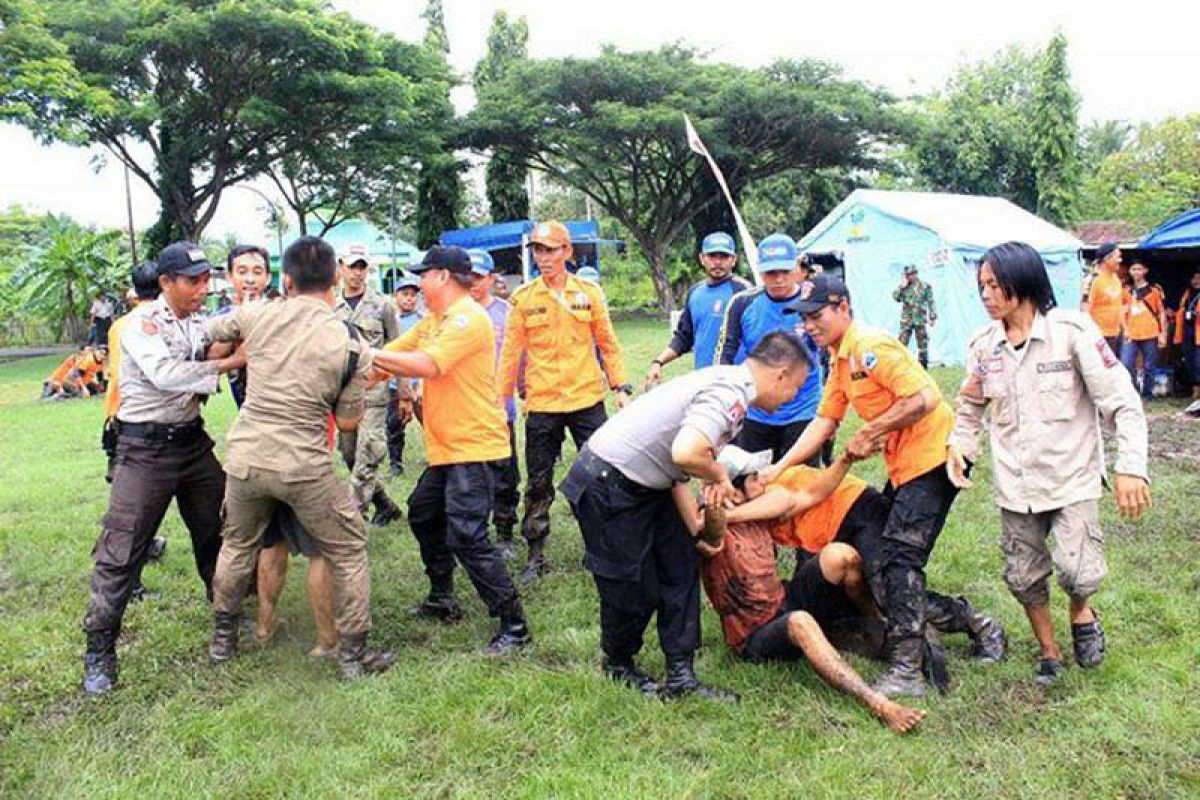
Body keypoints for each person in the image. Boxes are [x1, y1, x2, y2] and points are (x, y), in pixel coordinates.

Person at [559, 331, 813, 701]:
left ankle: (681, 675)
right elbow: (686, 452)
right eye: (797, 386)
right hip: (609, 482)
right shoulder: (730, 393)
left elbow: (675, 467)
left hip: (651, 484)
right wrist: (718, 475)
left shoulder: (728, 384)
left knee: (679, 568)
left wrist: (694, 526)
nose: (794, 396)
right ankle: (618, 663)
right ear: (781, 374)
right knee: (632, 585)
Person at [949, 241, 1150, 686]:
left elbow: (1122, 402)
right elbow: (969, 405)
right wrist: (961, 446)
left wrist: (1131, 465)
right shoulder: (983, 347)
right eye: (981, 286)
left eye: (994, 285)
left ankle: (1082, 612)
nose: (985, 295)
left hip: (1071, 477)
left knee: (1079, 573)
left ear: (1024, 282)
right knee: (1023, 577)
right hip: (1015, 487)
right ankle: (1049, 650)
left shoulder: (1072, 333)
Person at [205, 236, 394, 680]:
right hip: (303, 466)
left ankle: (223, 640)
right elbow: (348, 426)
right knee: (347, 548)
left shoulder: (258, 313)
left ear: (285, 280)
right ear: (334, 280)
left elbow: (211, 332)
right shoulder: (349, 347)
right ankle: (353, 654)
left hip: (246, 458)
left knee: (237, 544)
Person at [762, 273, 958, 698]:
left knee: (899, 562)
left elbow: (924, 397)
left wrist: (874, 431)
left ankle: (907, 668)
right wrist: (779, 467)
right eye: (804, 318)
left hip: (933, 458)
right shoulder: (840, 360)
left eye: (816, 316)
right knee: (887, 566)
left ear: (843, 308)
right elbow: (824, 422)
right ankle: (972, 623)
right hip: (904, 467)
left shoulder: (869, 348)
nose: (809, 325)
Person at [81, 241, 245, 694]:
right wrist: (233, 361)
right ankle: (99, 651)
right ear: (166, 282)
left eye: (206, 279)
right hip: (144, 449)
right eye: (193, 281)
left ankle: (228, 620)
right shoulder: (140, 324)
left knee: (218, 530)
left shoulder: (195, 322)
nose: (202, 288)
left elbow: (204, 353)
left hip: (191, 444)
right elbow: (169, 375)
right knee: (123, 547)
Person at [671, 474, 927, 733]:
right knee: (800, 622)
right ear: (735, 492)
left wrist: (738, 511)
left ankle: (879, 628)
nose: (765, 480)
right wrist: (715, 505)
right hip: (753, 636)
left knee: (839, 555)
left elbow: (787, 498)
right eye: (755, 477)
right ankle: (878, 704)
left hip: (784, 600)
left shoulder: (757, 512)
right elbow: (713, 536)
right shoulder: (707, 527)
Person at [373, 246, 532, 654]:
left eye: (422, 276)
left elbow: (427, 365)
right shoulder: (434, 321)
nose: (417, 284)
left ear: (442, 276)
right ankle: (443, 597)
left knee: (467, 534)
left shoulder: (467, 319)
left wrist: (364, 355)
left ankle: (514, 623)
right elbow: (392, 358)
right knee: (424, 514)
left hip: (473, 445)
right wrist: (356, 369)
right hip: (447, 447)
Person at [725, 454, 1006, 664]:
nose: (760, 478)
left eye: (757, 474)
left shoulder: (773, 486)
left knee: (892, 592)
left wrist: (729, 514)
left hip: (859, 514)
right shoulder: (750, 504)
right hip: (837, 531)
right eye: (752, 478)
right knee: (864, 592)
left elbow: (783, 503)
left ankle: (980, 625)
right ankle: (891, 634)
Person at [219, 242, 337, 657]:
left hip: (284, 449)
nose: (250, 278)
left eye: (257, 271)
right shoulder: (237, 320)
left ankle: (301, 633)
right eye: (242, 271)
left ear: (275, 278)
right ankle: (280, 628)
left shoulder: (274, 315)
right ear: (230, 276)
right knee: (281, 544)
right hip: (276, 453)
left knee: (292, 544)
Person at [498, 220, 630, 583]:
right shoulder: (523, 298)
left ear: (567, 252)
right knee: (538, 481)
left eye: (551, 250)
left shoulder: (589, 293)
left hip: (587, 399)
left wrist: (621, 386)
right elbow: (510, 355)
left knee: (601, 475)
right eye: (538, 251)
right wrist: (500, 400)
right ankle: (536, 553)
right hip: (542, 403)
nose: (544, 257)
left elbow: (608, 343)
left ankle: (602, 548)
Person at [714, 233, 823, 462]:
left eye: (785, 271)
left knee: (799, 483)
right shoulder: (743, 304)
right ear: (760, 271)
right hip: (756, 411)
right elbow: (725, 355)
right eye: (771, 273)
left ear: (796, 266)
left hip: (803, 409)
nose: (779, 279)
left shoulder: (814, 303)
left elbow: (832, 350)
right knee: (751, 480)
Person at [334, 243, 404, 527]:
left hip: (374, 390)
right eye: (353, 266)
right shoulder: (330, 306)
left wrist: (403, 389)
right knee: (350, 455)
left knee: (368, 454)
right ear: (341, 267)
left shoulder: (382, 305)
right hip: (342, 393)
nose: (358, 273)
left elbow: (397, 349)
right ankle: (385, 505)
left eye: (362, 267)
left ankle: (352, 522)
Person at [645, 232, 752, 389]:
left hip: (737, 382)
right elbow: (684, 337)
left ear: (734, 260)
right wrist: (658, 362)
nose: (717, 262)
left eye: (723, 256)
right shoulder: (695, 292)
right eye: (712, 256)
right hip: (703, 381)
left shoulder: (744, 291)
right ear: (702, 258)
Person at [468, 249, 521, 560]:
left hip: (501, 409)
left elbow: (520, 355)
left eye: (478, 276)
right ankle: (474, 532)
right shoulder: (455, 313)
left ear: (490, 278)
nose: (473, 283)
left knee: (504, 472)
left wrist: (524, 388)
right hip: (466, 410)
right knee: (471, 475)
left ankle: (504, 532)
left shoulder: (506, 312)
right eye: (469, 276)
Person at [386, 271, 424, 478]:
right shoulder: (390, 321)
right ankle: (395, 463)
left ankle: (438, 458)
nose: (409, 298)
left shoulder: (422, 321)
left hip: (419, 382)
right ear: (395, 296)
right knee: (394, 424)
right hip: (395, 383)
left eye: (413, 294)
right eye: (405, 294)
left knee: (430, 423)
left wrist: (420, 384)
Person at [1119, 261, 1168, 398]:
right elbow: (1121, 312)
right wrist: (1124, 329)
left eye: (1139, 269)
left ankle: (1147, 394)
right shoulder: (1126, 290)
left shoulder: (1154, 291)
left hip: (1150, 332)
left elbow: (1161, 313)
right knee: (1126, 363)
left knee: (1149, 366)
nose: (1136, 272)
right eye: (1133, 269)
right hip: (1131, 333)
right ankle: (1133, 391)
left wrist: (1162, 333)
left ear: (1145, 270)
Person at [893, 265, 937, 369]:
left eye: (913, 274)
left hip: (920, 319)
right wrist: (901, 287)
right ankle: (900, 366)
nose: (911, 277)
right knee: (901, 343)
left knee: (923, 344)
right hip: (907, 320)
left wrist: (932, 316)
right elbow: (896, 298)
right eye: (908, 275)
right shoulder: (904, 287)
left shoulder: (925, 286)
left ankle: (923, 367)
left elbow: (931, 301)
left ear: (916, 274)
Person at [1084, 243, 1124, 356]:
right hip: (1098, 336)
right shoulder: (1093, 280)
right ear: (1107, 258)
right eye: (1118, 257)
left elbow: (1118, 306)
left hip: (1114, 334)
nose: (1120, 260)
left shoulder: (1116, 279)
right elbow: (1085, 309)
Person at [1175, 268, 1200, 399]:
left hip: (1199, 332)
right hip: (1187, 332)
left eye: (1199, 278)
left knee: (1198, 361)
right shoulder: (1187, 293)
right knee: (1189, 361)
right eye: (1194, 278)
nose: (1196, 281)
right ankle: (1194, 389)